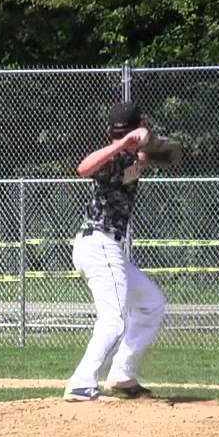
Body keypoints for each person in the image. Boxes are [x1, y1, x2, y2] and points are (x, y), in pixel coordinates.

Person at [63, 101, 166, 402]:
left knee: (151, 302)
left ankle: (122, 374)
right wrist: (122, 143)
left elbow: (167, 153)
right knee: (114, 320)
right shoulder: (115, 156)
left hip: (106, 247)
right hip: (99, 243)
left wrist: (142, 137)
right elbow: (83, 168)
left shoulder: (139, 154)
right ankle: (82, 383)